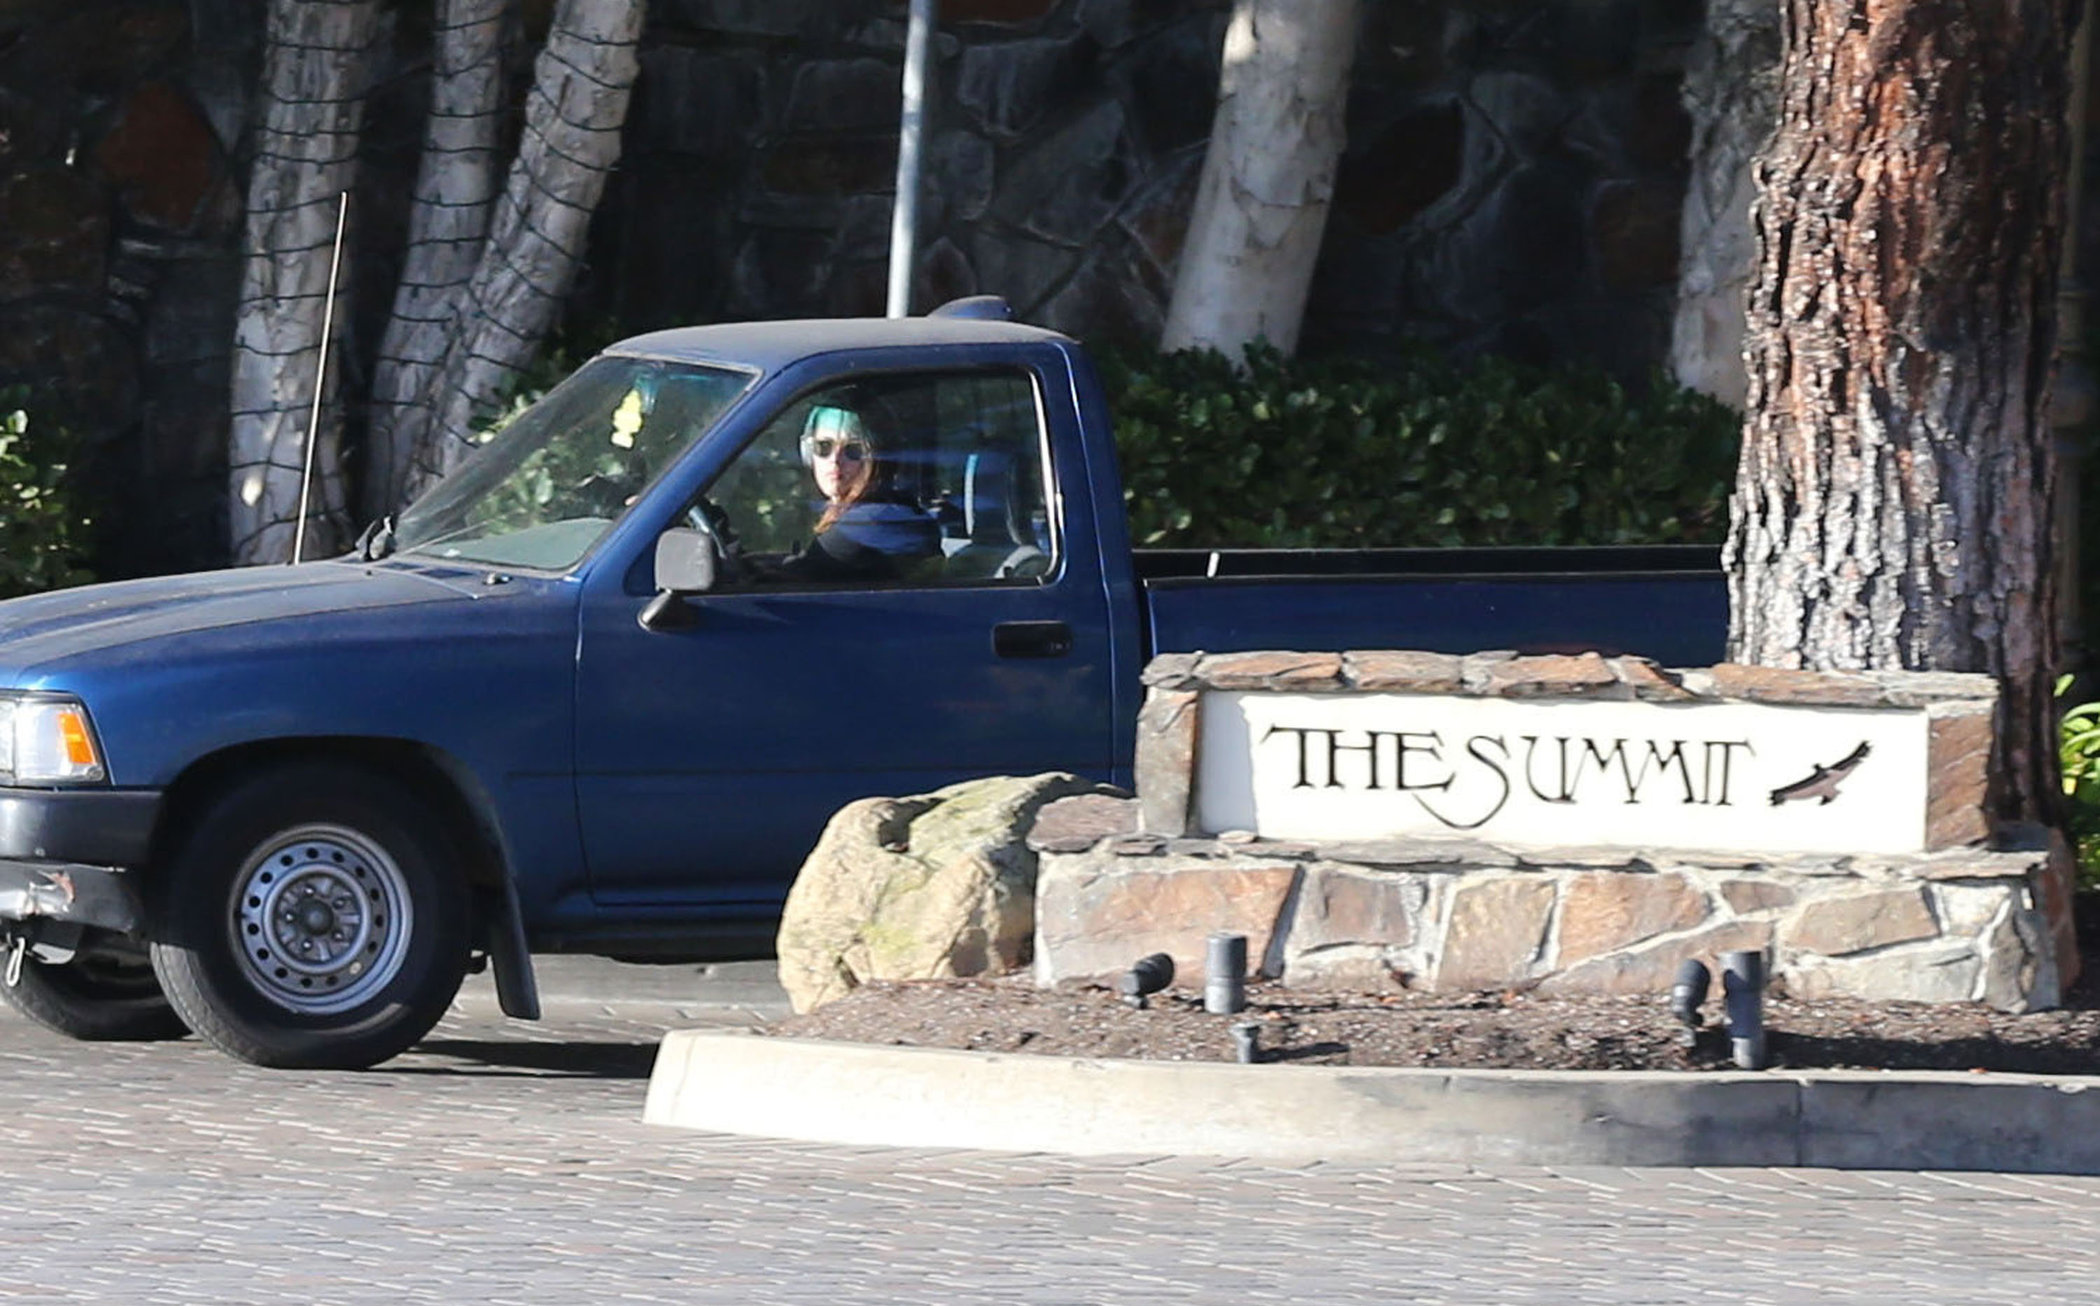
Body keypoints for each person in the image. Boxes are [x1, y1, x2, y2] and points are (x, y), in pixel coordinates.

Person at [770, 403, 940, 583]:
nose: (835, 460)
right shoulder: (892, 509)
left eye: (853, 449)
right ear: (808, 452)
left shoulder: (867, 521)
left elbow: (791, 580)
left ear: (877, 457)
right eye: (824, 446)